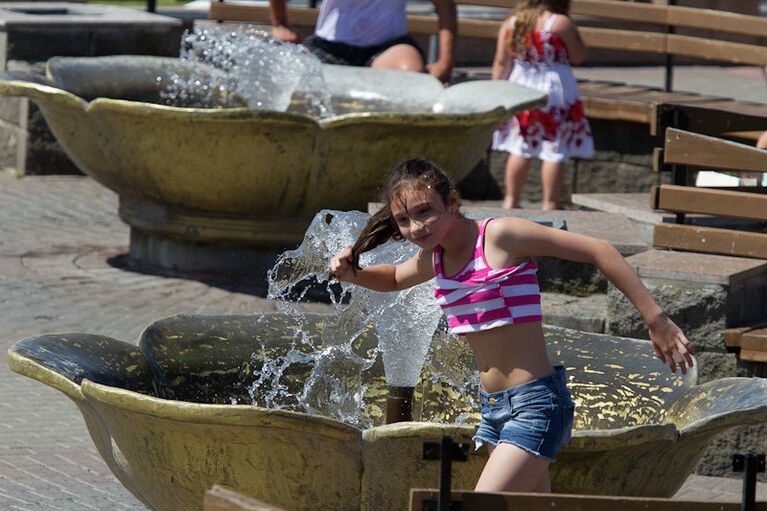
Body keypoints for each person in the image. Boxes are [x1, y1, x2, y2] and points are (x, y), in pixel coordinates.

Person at [329, 158, 694, 493]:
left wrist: (655, 318)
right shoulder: (435, 258)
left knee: (480, 504)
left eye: (425, 212)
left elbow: (600, 250)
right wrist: (353, 273)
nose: (416, 227)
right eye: (404, 220)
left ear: (451, 200)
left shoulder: (499, 236)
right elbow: (393, 278)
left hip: (536, 405)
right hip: (492, 409)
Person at [491, 0, 594, 210]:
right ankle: (551, 203)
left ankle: (511, 201)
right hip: (553, 88)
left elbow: (502, 62)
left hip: (521, 88)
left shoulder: (512, 23)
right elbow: (578, 55)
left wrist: (496, 93)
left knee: (521, 146)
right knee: (554, 149)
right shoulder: (560, 23)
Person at [268, 0, 456, 83]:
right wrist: (280, 24)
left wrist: (445, 63)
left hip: (387, 45)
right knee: (291, 76)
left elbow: (444, 3)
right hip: (329, 45)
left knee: (410, 76)